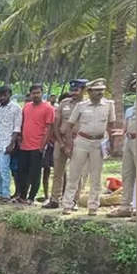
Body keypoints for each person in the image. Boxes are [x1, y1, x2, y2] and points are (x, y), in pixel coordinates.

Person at [62, 78, 115, 216]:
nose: (100, 93)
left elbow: (111, 126)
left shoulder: (109, 105)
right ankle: (67, 204)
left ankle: (93, 207)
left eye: (102, 90)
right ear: (89, 91)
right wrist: (69, 144)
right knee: (74, 174)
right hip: (82, 141)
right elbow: (69, 125)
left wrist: (111, 144)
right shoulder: (81, 106)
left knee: (96, 176)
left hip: (99, 143)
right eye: (97, 91)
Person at [44, 80, 86, 209]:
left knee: (76, 173)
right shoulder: (64, 103)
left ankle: (73, 200)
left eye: (76, 90)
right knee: (57, 172)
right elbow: (56, 123)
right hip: (60, 141)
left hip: (78, 142)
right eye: (71, 90)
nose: (73, 93)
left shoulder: (87, 105)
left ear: (83, 90)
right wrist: (61, 142)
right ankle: (55, 199)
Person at [14, 84, 56, 204]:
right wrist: (20, 137)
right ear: (30, 94)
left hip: (37, 146)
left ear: (42, 93)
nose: (36, 95)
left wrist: (43, 146)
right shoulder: (26, 107)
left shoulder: (48, 108)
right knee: (22, 172)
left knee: (35, 173)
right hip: (24, 145)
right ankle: (22, 196)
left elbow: (49, 129)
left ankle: (31, 198)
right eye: (33, 93)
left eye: (38, 93)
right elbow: (22, 123)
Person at [0, 86, 22, 202]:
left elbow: (17, 128)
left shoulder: (16, 108)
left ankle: (5, 194)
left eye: (4, 95)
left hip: (5, 143)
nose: (1, 98)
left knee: (4, 169)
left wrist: (11, 144)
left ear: (9, 94)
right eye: (0, 95)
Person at [109, 94, 136, 218]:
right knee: (127, 174)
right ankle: (125, 206)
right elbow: (126, 127)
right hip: (129, 141)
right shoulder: (131, 109)